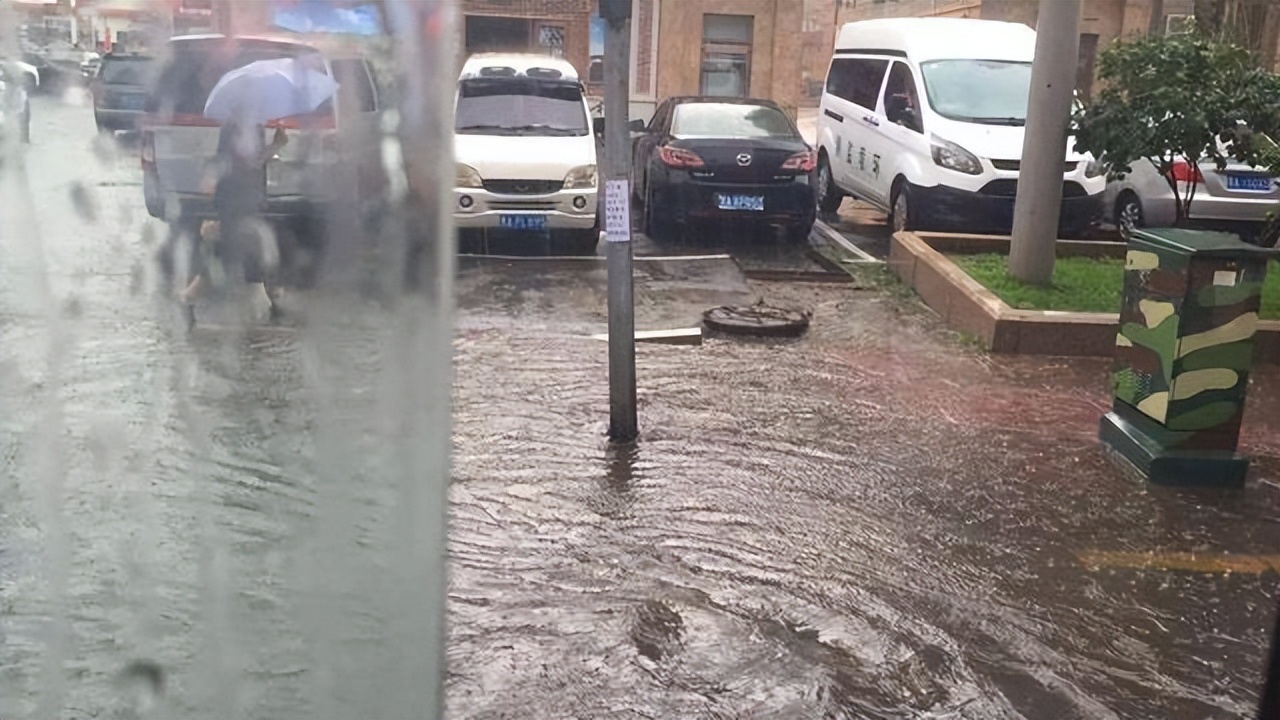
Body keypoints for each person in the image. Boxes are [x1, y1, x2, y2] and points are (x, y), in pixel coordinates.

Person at [180, 111, 288, 329]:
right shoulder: (239, 126)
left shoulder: (249, 122)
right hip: (236, 200)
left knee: (258, 250)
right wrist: (275, 146)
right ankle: (187, 298)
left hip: (244, 199)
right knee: (228, 256)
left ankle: (276, 303)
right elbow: (246, 164)